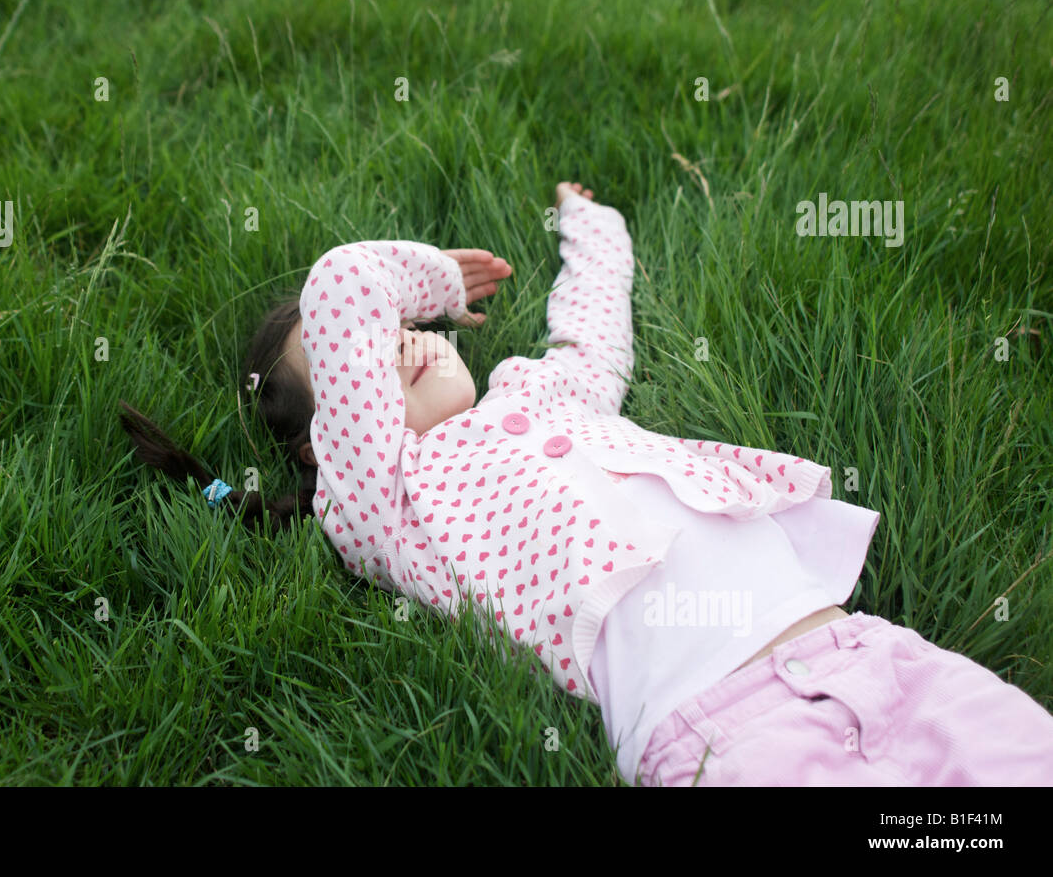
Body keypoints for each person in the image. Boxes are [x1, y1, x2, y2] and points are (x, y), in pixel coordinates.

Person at [120, 182, 1053, 785]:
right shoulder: (382, 510)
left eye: (409, 324)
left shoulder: (544, 390)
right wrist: (433, 276)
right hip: (728, 735)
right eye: (357, 360)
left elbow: (595, 332)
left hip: (872, 656)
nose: (397, 338)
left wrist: (591, 225)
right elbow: (340, 284)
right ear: (336, 442)